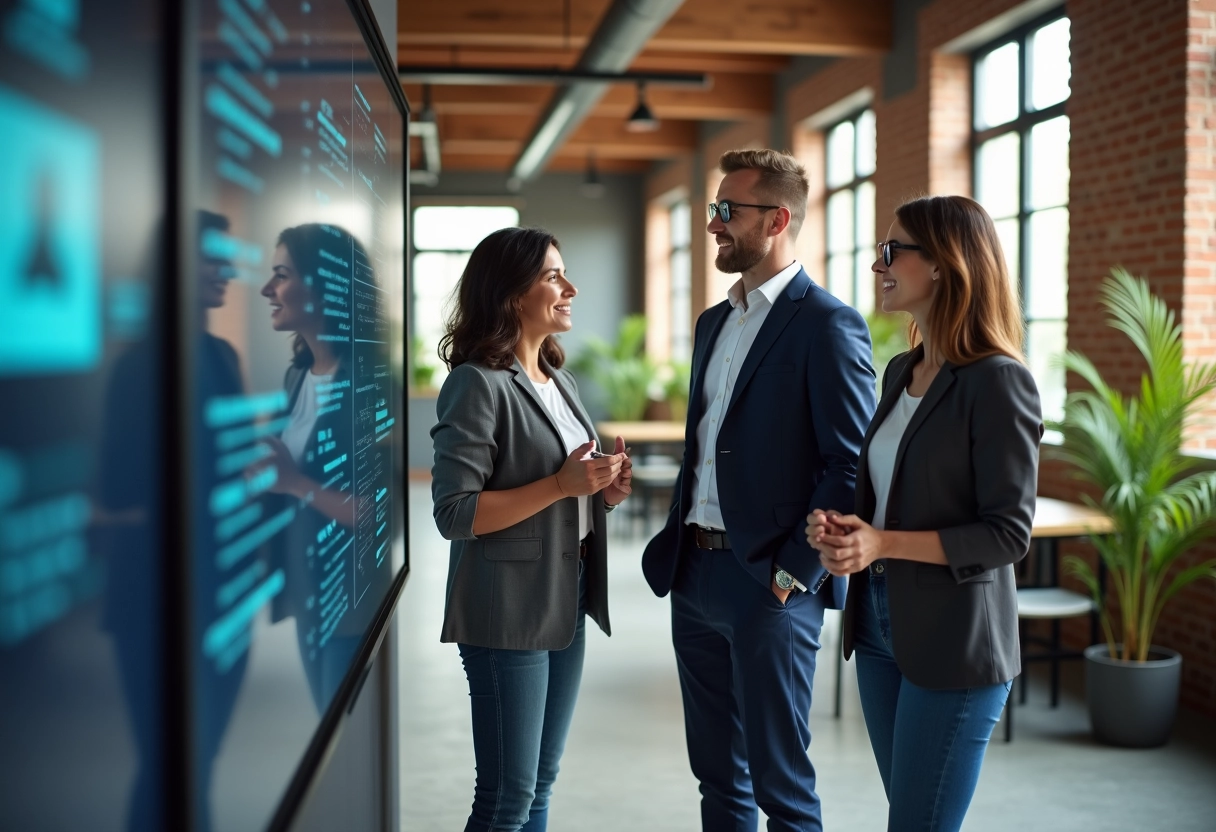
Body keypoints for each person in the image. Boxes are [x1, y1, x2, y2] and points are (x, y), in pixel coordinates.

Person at [642, 149, 876, 832]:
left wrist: (791, 576)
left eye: (727, 210)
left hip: (769, 584)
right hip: (693, 573)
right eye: (713, 208)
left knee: (782, 788)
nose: (713, 223)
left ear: (776, 220)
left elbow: (849, 464)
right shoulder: (712, 323)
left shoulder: (827, 324)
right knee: (718, 779)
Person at [809, 195, 1043, 832]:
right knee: (912, 816)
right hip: (878, 626)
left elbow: (1006, 534)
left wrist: (882, 543)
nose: (877, 265)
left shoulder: (999, 380)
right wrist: (846, 532)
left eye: (891, 251)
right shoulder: (900, 372)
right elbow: (891, 493)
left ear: (943, 263)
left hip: (956, 638)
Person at [430, 226, 633, 832]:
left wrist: (601, 493)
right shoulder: (476, 383)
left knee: (539, 785)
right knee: (507, 800)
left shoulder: (558, 380)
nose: (570, 288)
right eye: (552, 276)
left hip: (566, 596)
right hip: (507, 608)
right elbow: (454, 513)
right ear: (512, 294)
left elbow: (564, 492)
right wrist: (562, 486)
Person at [257, 223, 362, 711]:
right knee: (327, 725)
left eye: (281, 275)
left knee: (339, 732)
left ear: (325, 284)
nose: (267, 289)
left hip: (349, 601)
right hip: (308, 590)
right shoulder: (296, 377)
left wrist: (294, 482)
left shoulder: (367, 382)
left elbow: (374, 513)